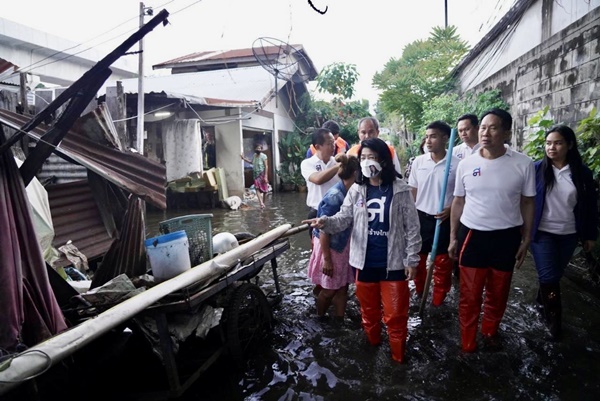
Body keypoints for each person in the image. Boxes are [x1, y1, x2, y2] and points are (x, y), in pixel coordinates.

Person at [304, 137, 421, 363]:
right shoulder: (357, 189)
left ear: (384, 161)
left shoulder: (400, 190)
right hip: (364, 263)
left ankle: (398, 361)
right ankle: (373, 352)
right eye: (364, 158)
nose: (368, 162)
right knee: (369, 314)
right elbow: (343, 219)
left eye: (372, 157)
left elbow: (413, 228)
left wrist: (412, 259)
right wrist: (325, 222)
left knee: (396, 316)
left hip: (393, 264)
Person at [448, 108, 535, 353]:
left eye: (493, 127)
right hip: (473, 236)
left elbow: (528, 201)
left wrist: (526, 238)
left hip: (506, 237)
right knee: (470, 295)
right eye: (483, 127)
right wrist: (453, 237)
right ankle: (467, 341)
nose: (485, 133)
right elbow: (458, 201)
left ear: (506, 132)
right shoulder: (467, 163)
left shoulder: (523, 164)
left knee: (498, 293)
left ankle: (489, 331)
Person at [531, 125, 598, 341]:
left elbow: (589, 206)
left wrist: (589, 235)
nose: (552, 147)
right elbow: (524, 201)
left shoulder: (581, 173)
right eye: (548, 143)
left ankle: (541, 302)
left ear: (569, 145)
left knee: (553, 276)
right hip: (542, 234)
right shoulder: (536, 170)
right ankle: (554, 321)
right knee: (549, 276)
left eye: (558, 143)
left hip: (569, 234)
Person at [408, 121, 459, 305]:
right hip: (421, 218)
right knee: (418, 263)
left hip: (444, 220)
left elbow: (462, 195)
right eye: (427, 136)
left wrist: (451, 209)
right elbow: (412, 191)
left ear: (446, 138)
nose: (428, 141)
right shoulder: (419, 162)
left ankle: (438, 302)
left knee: (442, 265)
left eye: (434, 136)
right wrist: (409, 218)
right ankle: (420, 293)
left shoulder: (457, 164)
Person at [307, 153, 360, 318]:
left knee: (343, 287)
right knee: (329, 290)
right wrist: (327, 259)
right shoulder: (335, 197)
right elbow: (324, 229)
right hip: (331, 247)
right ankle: (320, 317)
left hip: (342, 246)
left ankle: (339, 319)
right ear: (355, 174)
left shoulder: (352, 192)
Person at [300, 128, 340, 225]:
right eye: (329, 143)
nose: (333, 146)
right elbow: (318, 179)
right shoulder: (307, 163)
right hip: (317, 211)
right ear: (317, 146)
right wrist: (339, 165)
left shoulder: (336, 161)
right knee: (317, 240)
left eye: (334, 143)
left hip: (337, 211)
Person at [240, 144, 269, 208]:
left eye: (259, 148)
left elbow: (266, 166)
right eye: (257, 148)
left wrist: (266, 176)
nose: (258, 149)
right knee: (257, 188)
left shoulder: (264, 156)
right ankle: (261, 203)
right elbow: (251, 162)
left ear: (261, 149)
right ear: (255, 149)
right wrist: (244, 158)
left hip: (262, 174)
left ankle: (263, 203)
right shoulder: (254, 156)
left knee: (265, 191)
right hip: (256, 175)